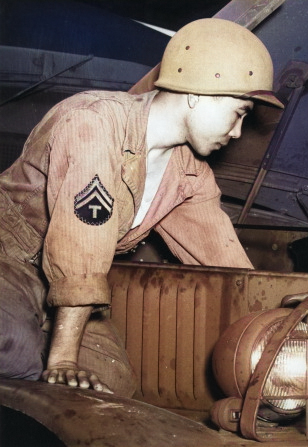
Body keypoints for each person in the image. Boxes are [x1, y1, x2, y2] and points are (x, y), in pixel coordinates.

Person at [0, 18, 283, 396]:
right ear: (200, 93)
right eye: (240, 112)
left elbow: (230, 265)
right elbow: (83, 241)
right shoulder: (95, 121)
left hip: (63, 289)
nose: (236, 133)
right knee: (12, 349)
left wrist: (282, 315)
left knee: (112, 386)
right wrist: (63, 361)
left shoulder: (189, 174)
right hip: (8, 259)